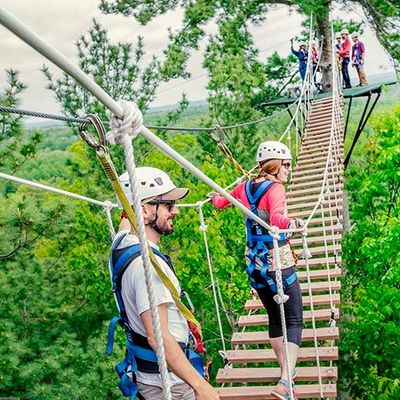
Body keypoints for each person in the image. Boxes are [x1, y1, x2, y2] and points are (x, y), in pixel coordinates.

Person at [108, 167, 219, 400]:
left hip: (149, 375)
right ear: (144, 210)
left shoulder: (121, 244)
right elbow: (158, 337)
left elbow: (125, 222)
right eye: (168, 205)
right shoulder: (149, 269)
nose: (175, 211)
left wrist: (128, 206)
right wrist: (200, 387)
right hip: (169, 383)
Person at [209, 141, 304, 400]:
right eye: (286, 165)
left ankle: (286, 379)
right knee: (294, 319)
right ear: (275, 165)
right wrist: (293, 223)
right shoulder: (276, 189)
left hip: (255, 265)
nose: (289, 169)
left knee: (275, 318)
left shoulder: (244, 187)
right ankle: (285, 381)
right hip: (277, 263)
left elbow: (220, 203)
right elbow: (276, 219)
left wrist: (212, 197)